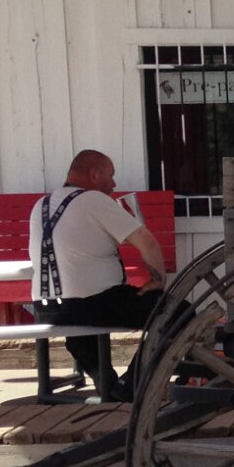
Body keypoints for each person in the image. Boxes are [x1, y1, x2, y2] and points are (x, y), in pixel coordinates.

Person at [29, 149, 167, 402]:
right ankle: (132, 382)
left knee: (79, 332)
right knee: (175, 312)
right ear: (94, 174)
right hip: (94, 304)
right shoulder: (93, 199)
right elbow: (147, 241)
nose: (114, 184)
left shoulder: (41, 205)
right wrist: (157, 283)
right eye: (110, 175)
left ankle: (108, 385)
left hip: (46, 308)